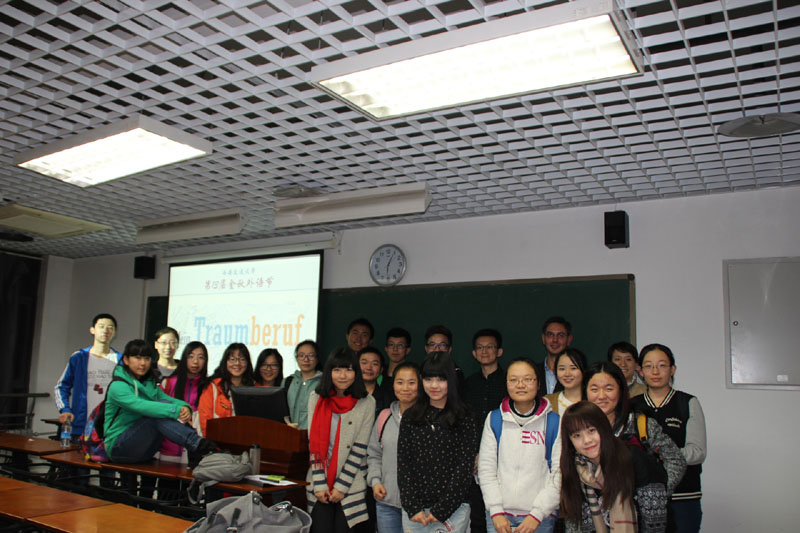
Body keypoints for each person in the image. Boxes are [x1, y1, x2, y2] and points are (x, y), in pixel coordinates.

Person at [584, 362, 686, 531]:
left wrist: (657, 493)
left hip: (641, 521)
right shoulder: (578, 428)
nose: (601, 396)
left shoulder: (640, 424)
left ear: (621, 390)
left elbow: (676, 460)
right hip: (594, 521)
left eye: (609, 388)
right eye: (594, 389)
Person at [478, 357, 561, 533]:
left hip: (539, 518)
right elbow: (486, 469)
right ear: (506, 384)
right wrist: (496, 511)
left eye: (528, 379)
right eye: (514, 380)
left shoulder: (554, 422)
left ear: (538, 384)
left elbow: (559, 473)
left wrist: (537, 514)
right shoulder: (495, 419)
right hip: (499, 517)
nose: (520, 385)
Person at [398, 351, 477, 533]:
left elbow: (464, 467)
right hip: (415, 511)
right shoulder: (410, 416)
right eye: (428, 379)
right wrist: (412, 506)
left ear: (452, 380)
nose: (434, 385)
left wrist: (442, 509)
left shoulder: (464, 416)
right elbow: (403, 464)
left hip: (454, 509)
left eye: (441, 379)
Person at [103, 339, 216, 465]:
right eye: (138, 358)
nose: (143, 363)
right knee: (155, 415)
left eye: (147, 358)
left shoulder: (148, 384)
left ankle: (199, 446)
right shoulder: (118, 386)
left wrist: (185, 407)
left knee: (162, 405)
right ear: (126, 360)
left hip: (145, 448)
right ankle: (199, 445)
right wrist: (175, 410)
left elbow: (167, 399)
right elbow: (140, 406)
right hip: (118, 447)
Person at [632, 344, 706, 533]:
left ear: (672, 369)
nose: (655, 371)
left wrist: (666, 455)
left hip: (683, 496)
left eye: (662, 365)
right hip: (643, 497)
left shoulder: (687, 402)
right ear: (640, 371)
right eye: (649, 366)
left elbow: (698, 452)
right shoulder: (632, 405)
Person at [307, 348, 375, 533]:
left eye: (348, 370)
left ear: (356, 373)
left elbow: (359, 448)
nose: (342, 376)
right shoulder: (316, 398)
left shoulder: (367, 402)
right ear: (329, 372)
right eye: (337, 370)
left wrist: (341, 487)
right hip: (319, 481)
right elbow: (313, 445)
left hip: (350, 484)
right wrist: (320, 484)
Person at [559, 401, 639, 533]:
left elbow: (653, 522)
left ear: (603, 428)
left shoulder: (634, 459)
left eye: (591, 431)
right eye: (577, 435)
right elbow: (573, 525)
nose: (587, 440)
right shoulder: (573, 471)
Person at [367, 362, 420, 533]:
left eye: (411, 382)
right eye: (400, 382)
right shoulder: (385, 416)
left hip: (419, 506)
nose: (405, 388)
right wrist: (375, 481)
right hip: (386, 502)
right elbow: (374, 454)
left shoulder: (430, 418)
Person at [463, 328, 507, 533]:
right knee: (477, 518)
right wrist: (473, 454)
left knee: (501, 514)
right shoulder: (468, 384)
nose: (485, 351)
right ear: (474, 353)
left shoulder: (509, 382)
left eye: (490, 347)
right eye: (480, 348)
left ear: (499, 351)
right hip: (472, 461)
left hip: (504, 460)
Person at [55, 313, 122, 440]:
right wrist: (65, 409)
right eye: (101, 326)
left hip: (109, 427)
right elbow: (61, 386)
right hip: (81, 425)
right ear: (92, 330)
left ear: (114, 333)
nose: (105, 331)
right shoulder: (79, 357)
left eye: (110, 328)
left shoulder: (120, 360)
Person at [160, 341, 209, 462]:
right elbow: (159, 412)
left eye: (200, 357)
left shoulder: (208, 387)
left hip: (195, 451)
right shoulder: (168, 383)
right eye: (191, 356)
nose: (195, 361)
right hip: (168, 449)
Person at [197, 343, 255, 436]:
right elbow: (205, 423)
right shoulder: (213, 387)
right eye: (232, 359)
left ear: (248, 363)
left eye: (242, 359)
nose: (237, 363)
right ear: (225, 362)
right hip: (217, 441)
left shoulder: (255, 388)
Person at [285, 340, 323, 429]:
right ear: (296, 358)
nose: (306, 359)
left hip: (314, 434)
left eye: (311, 355)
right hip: (289, 433)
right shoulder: (288, 381)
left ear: (317, 358)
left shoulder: (324, 382)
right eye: (301, 356)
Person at [545, 348, 588, 415]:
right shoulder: (547, 402)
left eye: (573, 368)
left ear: (583, 370)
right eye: (562, 369)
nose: (567, 374)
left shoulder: (593, 401)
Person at [538, 317, 573, 397]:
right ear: (543, 339)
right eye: (550, 335)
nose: (555, 340)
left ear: (569, 339)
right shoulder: (532, 372)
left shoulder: (577, 375)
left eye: (560, 335)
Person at [358, 346, 393, 414]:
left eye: (375, 364)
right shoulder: (346, 393)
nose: (369, 367)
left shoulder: (388, 398)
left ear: (381, 370)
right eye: (364, 363)